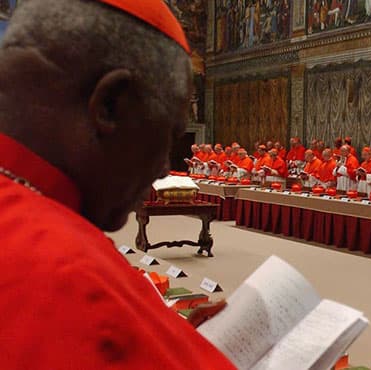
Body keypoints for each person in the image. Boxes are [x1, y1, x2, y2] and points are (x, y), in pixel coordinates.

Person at [0, 0, 236, 369]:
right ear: (109, 105)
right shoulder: (75, 283)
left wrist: (163, 339)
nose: (162, 169)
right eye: (168, 138)